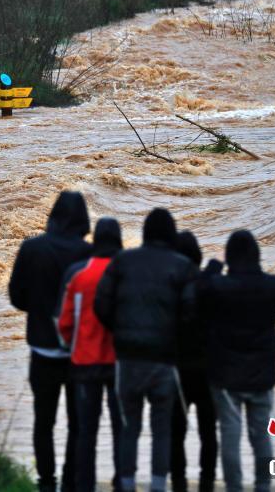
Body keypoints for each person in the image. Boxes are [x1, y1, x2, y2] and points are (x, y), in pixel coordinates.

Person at [94, 208, 197, 492]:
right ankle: (157, 486)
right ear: (171, 234)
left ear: (145, 232)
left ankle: (126, 484)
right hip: (163, 360)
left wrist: (120, 331)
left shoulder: (122, 261)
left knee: (130, 426)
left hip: (127, 359)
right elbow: (191, 314)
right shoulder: (182, 266)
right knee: (162, 428)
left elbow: (101, 305)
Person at [9, 191, 93, 492]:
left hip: (42, 349)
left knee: (43, 421)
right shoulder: (88, 255)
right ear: (83, 219)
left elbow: (16, 298)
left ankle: (46, 482)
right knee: (77, 424)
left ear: (53, 215)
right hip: (78, 355)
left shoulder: (31, 248)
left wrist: (41, 310)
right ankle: (71, 482)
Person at [201, 230, 275, 492]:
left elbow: (200, 288)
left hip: (226, 377)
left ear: (231, 257)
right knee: (261, 435)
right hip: (262, 375)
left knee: (230, 434)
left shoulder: (220, 287)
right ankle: (263, 485)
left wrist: (217, 263)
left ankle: (234, 487)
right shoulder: (272, 286)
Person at [58, 218, 125, 492]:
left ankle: (84, 486)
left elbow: (64, 323)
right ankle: (123, 483)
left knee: (86, 432)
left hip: (85, 361)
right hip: (120, 362)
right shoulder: (125, 272)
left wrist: (70, 345)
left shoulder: (79, 274)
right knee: (122, 429)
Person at [169, 231, 220, 492]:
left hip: (178, 371)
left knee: (176, 432)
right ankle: (207, 482)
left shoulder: (169, 289)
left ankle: (178, 483)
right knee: (208, 432)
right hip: (208, 370)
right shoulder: (210, 284)